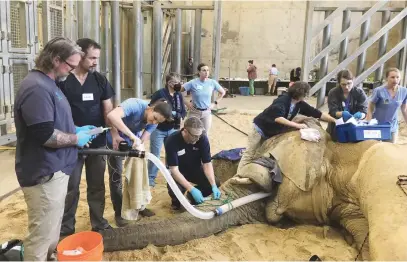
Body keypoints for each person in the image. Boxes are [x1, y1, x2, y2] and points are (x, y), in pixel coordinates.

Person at [14, 37, 93, 261]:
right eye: (70, 65)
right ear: (55, 59)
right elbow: (46, 135)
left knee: (50, 234)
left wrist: (75, 128)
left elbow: (53, 123)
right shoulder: (36, 88)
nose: (72, 70)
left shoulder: (49, 84)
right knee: (40, 237)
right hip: (43, 173)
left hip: (55, 171)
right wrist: (75, 138)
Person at [58, 38, 115, 237]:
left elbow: (108, 109)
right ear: (80, 55)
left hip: (97, 143)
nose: (95, 62)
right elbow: (57, 115)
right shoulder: (63, 81)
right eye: (92, 57)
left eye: (97, 58)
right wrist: (74, 134)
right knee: (70, 187)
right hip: (71, 144)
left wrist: (112, 135)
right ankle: (66, 228)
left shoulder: (99, 80)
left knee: (97, 185)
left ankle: (98, 223)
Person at [237, 81, 336, 173]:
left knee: (259, 154)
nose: (306, 96)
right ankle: (238, 175)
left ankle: (251, 172)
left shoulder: (299, 104)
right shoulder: (283, 100)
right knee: (249, 154)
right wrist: (298, 125)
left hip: (271, 132)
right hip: (259, 129)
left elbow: (317, 113)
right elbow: (278, 118)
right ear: (300, 93)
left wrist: (335, 120)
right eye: (305, 94)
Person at [106, 98, 173, 226]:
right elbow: (112, 116)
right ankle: (119, 213)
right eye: (153, 118)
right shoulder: (135, 104)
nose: (153, 122)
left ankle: (139, 206)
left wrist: (139, 144)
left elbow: (144, 137)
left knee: (139, 175)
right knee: (117, 177)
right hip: (115, 140)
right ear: (151, 108)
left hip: (132, 142)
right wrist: (122, 135)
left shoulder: (156, 120)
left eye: (157, 121)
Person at [164, 117, 221, 210]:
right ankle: (177, 202)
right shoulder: (172, 141)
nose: (198, 138)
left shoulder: (202, 138)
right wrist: (191, 188)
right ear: (185, 131)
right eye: (195, 136)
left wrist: (213, 185)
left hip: (195, 169)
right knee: (175, 193)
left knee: (215, 183)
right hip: (178, 172)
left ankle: (191, 196)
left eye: (199, 135)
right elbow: (174, 170)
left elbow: (207, 163)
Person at [148, 73, 186, 187]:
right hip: (158, 129)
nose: (177, 84)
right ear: (168, 83)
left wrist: (175, 114)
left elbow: (183, 112)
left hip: (173, 128)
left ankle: (171, 176)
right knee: (155, 154)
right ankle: (150, 178)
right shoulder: (160, 93)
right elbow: (150, 107)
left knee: (172, 153)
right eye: (174, 82)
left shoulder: (179, 95)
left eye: (178, 82)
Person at [366, 68, 407, 143]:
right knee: (375, 148)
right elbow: (370, 106)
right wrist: (369, 121)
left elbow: (404, 109)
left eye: (397, 77)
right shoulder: (379, 91)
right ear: (386, 78)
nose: (395, 80)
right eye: (392, 77)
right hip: (377, 125)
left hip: (392, 127)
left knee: (390, 149)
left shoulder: (404, 91)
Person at [182, 63, 226, 134]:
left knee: (204, 135)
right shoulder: (192, 83)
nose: (206, 72)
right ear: (199, 72)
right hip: (194, 112)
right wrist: (186, 103)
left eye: (208, 70)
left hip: (207, 113)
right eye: (204, 70)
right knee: (190, 133)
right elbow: (177, 91)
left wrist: (214, 103)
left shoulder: (212, 82)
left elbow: (223, 92)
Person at [327, 69, 368, 141]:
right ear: (339, 83)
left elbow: (364, 110)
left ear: (353, 81)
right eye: (343, 84)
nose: (346, 87)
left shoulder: (359, 93)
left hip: (355, 126)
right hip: (337, 127)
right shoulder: (333, 92)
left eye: (349, 83)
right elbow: (332, 111)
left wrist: (361, 115)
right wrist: (342, 114)